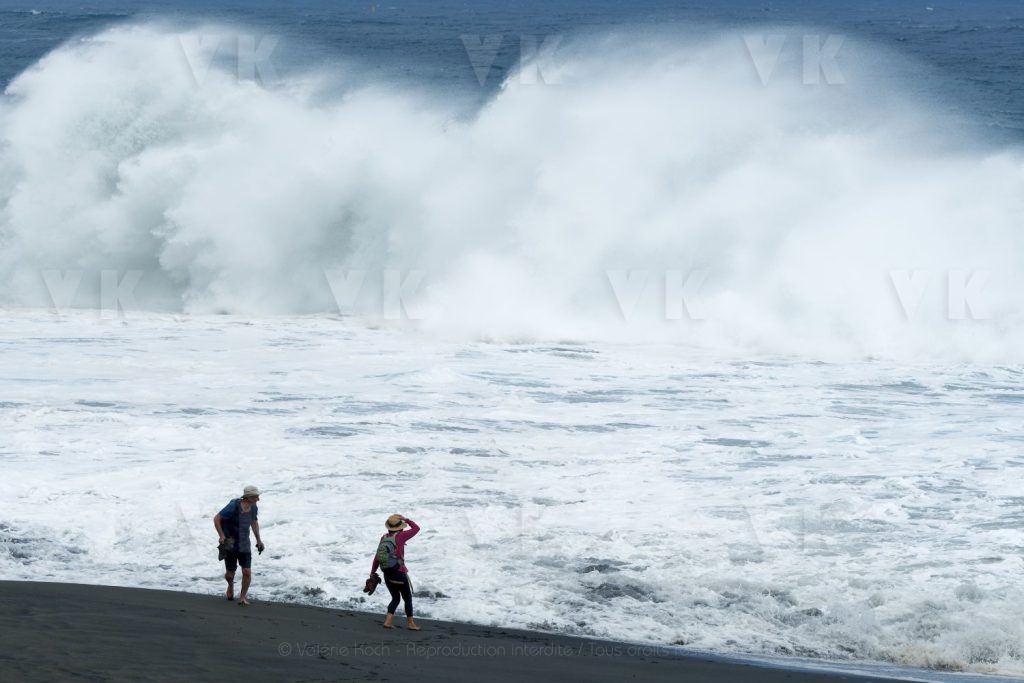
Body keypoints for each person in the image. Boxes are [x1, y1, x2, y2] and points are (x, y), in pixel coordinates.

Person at [213, 485, 265, 606]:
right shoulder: (233, 506)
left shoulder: (253, 507)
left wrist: (259, 539)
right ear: (249, 497)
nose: (258, 499)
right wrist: (221, 535)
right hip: (230, 543)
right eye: (256, 496)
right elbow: (217, 518)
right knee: (230, 574)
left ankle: (242, 597)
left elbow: (254, 522)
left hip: (245, 544)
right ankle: (230, 585)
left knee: (247, 572)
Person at [370, 514, 421, 630]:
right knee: (407, 598)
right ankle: (411, 624)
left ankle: (388, 622)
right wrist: (406, 519)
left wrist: (372, 573)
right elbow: (416, 528)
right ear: (400, 528)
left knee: (395, 598)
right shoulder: (401, 536)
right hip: (399, 572)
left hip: (387, 573)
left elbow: (377, 557)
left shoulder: (383, 538)